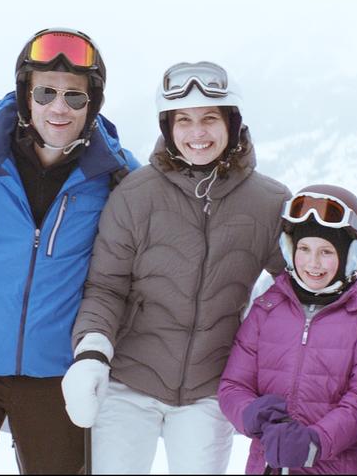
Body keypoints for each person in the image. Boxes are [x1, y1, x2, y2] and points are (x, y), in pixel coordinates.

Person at [0, 27, 139, 474]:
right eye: (46, 92)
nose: (58, 107)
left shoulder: (116, 176)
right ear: (25, 95)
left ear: (92, 105)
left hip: (58, 375)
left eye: (74, 97)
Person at [61, 61, 292, 474]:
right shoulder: (137, 194)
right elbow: (106, 287)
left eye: (209, 119)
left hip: (209, 389)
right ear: (168, 127)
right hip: (129, 381)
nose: (196, 133)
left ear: (233, 123)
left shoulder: (268, 202)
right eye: (183, 120)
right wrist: (92, 353)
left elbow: (294, 292)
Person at [218, 184, 357, 474]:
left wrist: (313, 442)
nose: (313, 263)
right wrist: (252, 414)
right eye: (304, 248)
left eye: (326, 252)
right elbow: (233, 386)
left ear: (350, 256)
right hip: (268, 465)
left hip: (335, 467)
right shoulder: (267, 309)